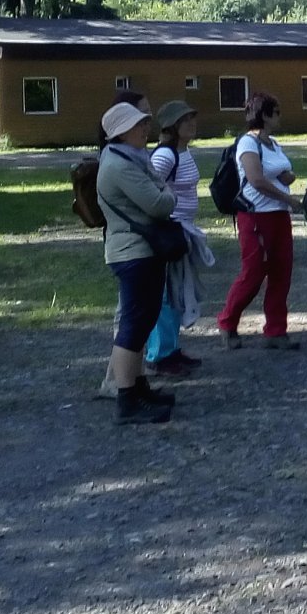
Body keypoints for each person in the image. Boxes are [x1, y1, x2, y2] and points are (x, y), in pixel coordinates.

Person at [94, 101, 181, 423]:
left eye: (145, 122)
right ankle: (127, 400)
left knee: (142, 323)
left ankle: (138, 387)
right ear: (121, 132)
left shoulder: (131, 158)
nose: (146, 128)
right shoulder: (121, 165)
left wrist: (164, 190)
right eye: (138, 124)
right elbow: (160, 203)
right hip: (133, 253)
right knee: (133, 326)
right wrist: (168, 192)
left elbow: (158, 192)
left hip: (142, 251)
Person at [218, 92, 298, 350]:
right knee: (253, 272)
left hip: (278, 215)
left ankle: (276, 330)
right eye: (277, 112)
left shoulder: (273, 143)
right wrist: (289, 198)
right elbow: (256, 180)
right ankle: (227, 322)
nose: (280, 116)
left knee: (281, 273)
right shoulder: (248, 143)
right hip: (255, 216)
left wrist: (288, 177)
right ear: (264, 115)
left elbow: (281, 172)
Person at [145, 102, 212, 380]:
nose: (192, 124)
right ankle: (159, 355)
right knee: (165, 295)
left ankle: (171, 350)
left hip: (181, 230)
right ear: (172, 126)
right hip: (168, 232)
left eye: (192, 118)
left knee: (176, 293)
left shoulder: (183, 152)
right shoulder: (165, 155)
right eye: (185, 120)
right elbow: (149, 190)